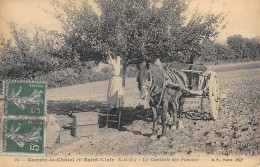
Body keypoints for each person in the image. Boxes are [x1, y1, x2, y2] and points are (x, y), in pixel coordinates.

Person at [106, 52, 124, 129]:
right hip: (115, 80)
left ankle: (114, 106)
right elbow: (113, 61)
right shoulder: (117, 65)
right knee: (113, 93)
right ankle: (114, 106)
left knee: (113, 93)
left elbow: (112, 60)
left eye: (108, 60)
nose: (108, 62)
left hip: (115, 81)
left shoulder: (116, 65)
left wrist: (109, 53)